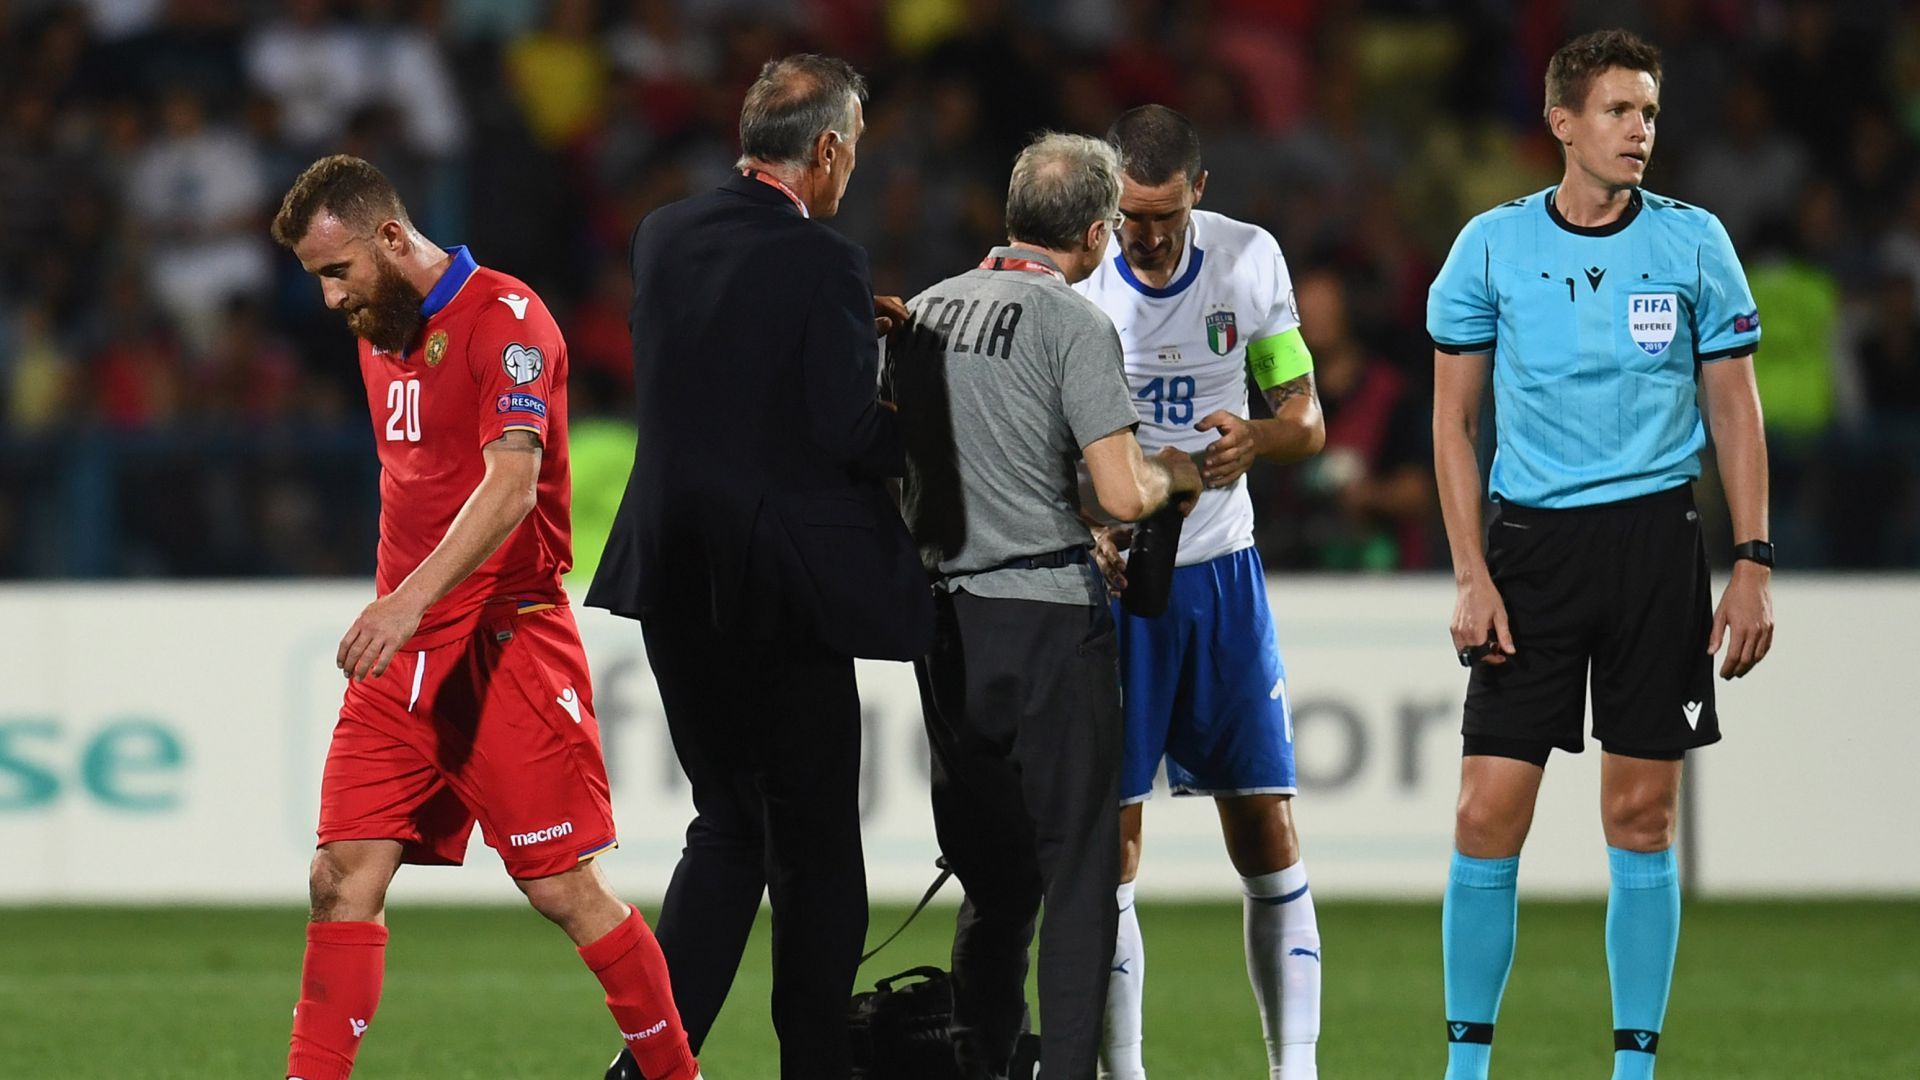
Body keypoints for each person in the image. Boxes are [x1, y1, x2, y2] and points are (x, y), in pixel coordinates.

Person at [270, 155, 698, 1080]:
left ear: (390, 236)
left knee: (562, 889)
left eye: (337, 271)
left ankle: (676, 1075)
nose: (332, 298)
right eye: (319, 280)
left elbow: (509, 488)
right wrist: (405, 610)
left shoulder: (510, 321)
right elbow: (421, 484)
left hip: (506, 643)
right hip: (402, 652)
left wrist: (407, 600)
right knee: (339, 881)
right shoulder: (380, 329)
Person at [1428, 30, 1774, 1080]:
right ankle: (1467, 1068)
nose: (1640, 131)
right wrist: (1471, 574)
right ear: (1562, 123)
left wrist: (1752, 558)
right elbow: (1452, 423)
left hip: (1656, 548)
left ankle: (1633, 1069)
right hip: (1528, 552)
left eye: (1652, 113)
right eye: (1620, 111)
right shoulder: (1489, 244)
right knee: (1489, 810)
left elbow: (1734, 406)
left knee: (1639, 811)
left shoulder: (1695, 242)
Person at [586, 55, 932, 1080]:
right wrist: (928, 418)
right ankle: (817, 1068)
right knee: (817, 844)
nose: (852, 171)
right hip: (778, 591)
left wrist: (831, 321)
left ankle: (652, 1063)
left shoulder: (663, 235)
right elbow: (842, 430)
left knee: (727, 822)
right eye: (854, 150)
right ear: (826, 148)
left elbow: (726, 362)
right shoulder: (826, 260)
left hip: (671, 580)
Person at [892, 131, 1204, 1080]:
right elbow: (1118, 490)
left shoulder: (924, 311)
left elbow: (917, 465)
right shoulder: (1073, 324)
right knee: (1078, 877)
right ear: (1102, 230)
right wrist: (1172, 477)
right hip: (1046, 625)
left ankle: (984, 1060)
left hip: (942, 625)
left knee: (993, 879)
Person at [1073, 105, 1327, 1080]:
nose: (1144, 236)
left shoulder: (1247, 262)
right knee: (1113, 848)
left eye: (1163, 217)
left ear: (1199, 195)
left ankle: (1294, 1068)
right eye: (1129, 217)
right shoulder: (1078, 275)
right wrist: (1086, 517)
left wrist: (1259, 438)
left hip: (1221, 575)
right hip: (1112, 585)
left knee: (1264, 823)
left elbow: (1304, 413)